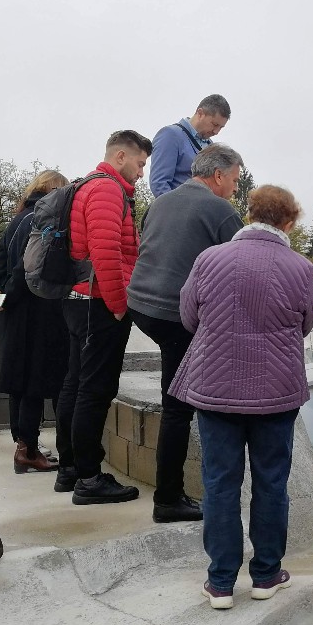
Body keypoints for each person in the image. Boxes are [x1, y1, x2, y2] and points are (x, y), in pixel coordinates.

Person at [168, 185, 313, 610]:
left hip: (215, 390)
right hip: (276, 392)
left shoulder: (209, 259)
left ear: (250, 213)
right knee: (272, 483)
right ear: (288, 221)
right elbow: (305, 324)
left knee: (219, 484)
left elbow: (188, 316)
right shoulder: (301, 268)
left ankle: (219, 583)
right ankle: (267, 575)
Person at [126, 144, 245, 523]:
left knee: (178, 391)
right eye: (235, 180)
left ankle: (171, 493)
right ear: (218, 175)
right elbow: (247, 262)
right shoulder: (220, 209)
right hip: (175, 315)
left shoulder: (161, 201)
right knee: (178, 407)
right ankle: (168, 499)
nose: (235, 189)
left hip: (142, 307)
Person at [54, 130, 152, 504]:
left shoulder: (90, 186)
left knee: (76, 384)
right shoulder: (108, 190)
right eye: (140, 164)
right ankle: (89, 479)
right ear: (121, 156)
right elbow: (107, 253)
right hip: (98, 302)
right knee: (94, 390)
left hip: (81, 300)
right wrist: (118, 304)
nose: (142, 173)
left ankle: (70, 469)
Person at [0, 170, 70, 473]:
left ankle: (23, 447)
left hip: (12, 315)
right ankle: (33, 450)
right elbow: (27, 269)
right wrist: (13, 294)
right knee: (38, 382)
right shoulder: (45, 221)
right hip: (38, 312)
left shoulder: (16, 221)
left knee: (19, 384)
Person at [148, 94, 231, 197]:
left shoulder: (211, 146)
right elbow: (159, 184)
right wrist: (179, 210)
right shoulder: (171, 135)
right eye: (214, 124)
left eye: (221, 127)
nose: (216, 131)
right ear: (200, 113)